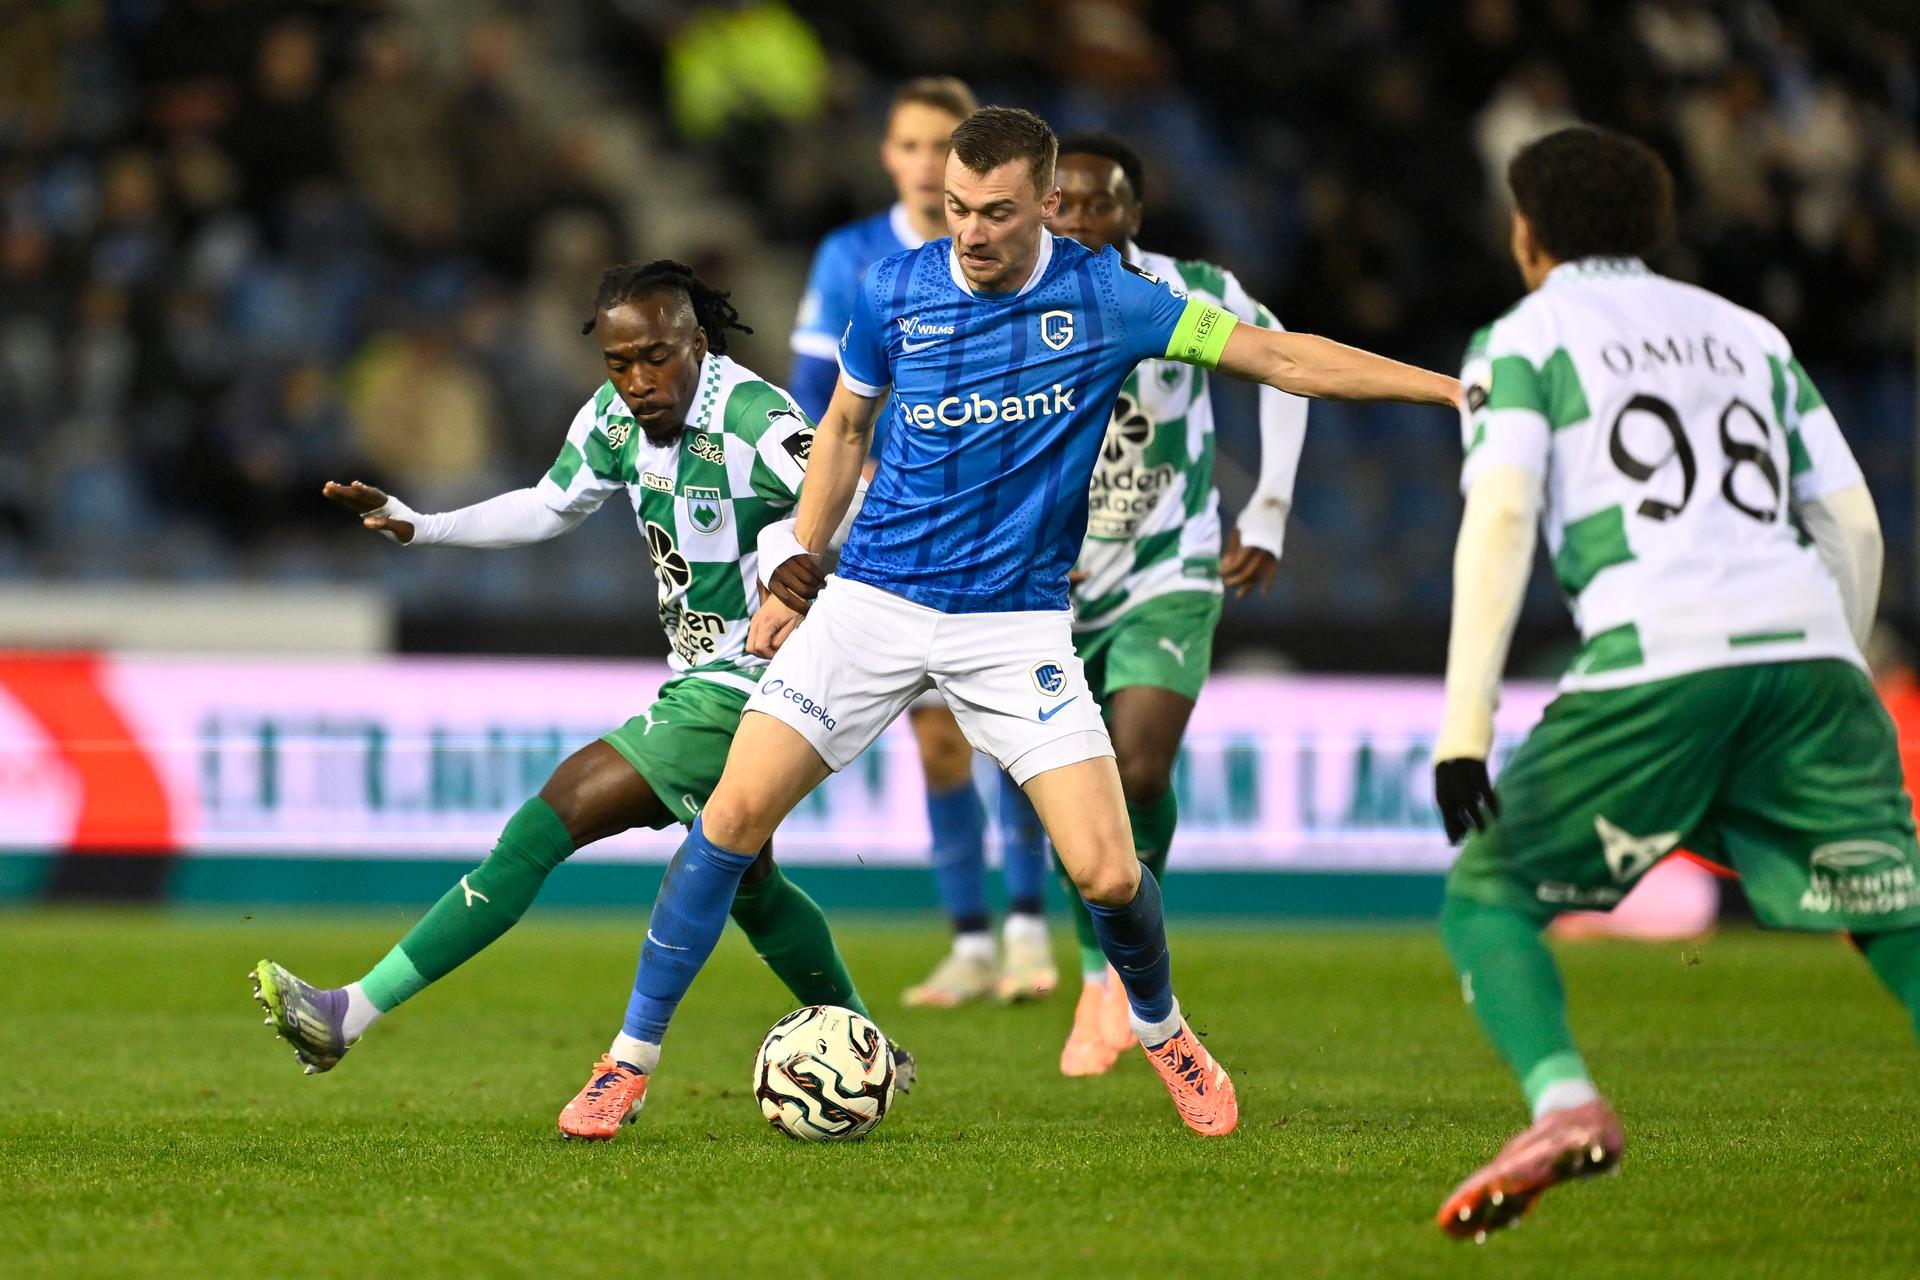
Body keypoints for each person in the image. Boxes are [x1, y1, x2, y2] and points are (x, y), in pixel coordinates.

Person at [562, 106, 1459, 1141]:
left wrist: (1445, 390)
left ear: (1045, 204)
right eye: (955, 210)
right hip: (872, 606)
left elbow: (1282, 359)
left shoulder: (1113, 299)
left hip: (1015, 627)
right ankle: (625, 1064)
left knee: (1112, 872)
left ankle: (1165, 1029)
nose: (971, 234)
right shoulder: (895, 287)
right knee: (727, 820)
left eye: (995, 213)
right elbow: (847, 423)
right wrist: (798, 562)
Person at [250, 260, 913, 1112]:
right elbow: (549, 504)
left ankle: (352, 1014)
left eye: (657, 357)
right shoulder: (613, 417)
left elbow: (855, 494)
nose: (638, 381)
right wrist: (426, 525)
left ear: (699, 344)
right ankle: (869, 1050)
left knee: (545, 822)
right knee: (750, 884)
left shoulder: (754, 417)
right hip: (705, 678)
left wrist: (795, 552)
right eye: (620, 362)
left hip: (756, 682)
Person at [1428, 126, 1917, 1240]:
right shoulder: (1749, 332)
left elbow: (1500, 517)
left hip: (1659, 656)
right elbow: (1849, 518)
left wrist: (1466, 728)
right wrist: (1826, 657)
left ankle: (1564, 1101)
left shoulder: (1523, 336)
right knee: (1895, 908)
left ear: (1528, 232)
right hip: (1811, 655)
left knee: (1488, 892)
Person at [791, 77, 1056, 1008]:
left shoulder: (1016, 255)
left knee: (1016, 740)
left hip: (1009, 527)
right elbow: (814, 394)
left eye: (935, 145)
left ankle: (1030, 927)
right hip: (892, 529)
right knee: (940, 745)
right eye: (905, 144)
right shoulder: (855, 258)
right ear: (890, 156)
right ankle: (973, 940)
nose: (918, 162)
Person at [1045, 131, 1307, 1075]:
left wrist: (1268, 506)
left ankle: (1123, 977)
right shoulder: (1012, 301)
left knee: (1138, 770)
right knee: (1068, 789)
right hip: (1049, 588)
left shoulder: (1187, 291)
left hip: (1170, 565)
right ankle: (1093, 978)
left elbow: (1285, 364)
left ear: (1132, 215)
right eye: (1060, 202)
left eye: (1097, 202)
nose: (1076, 219)